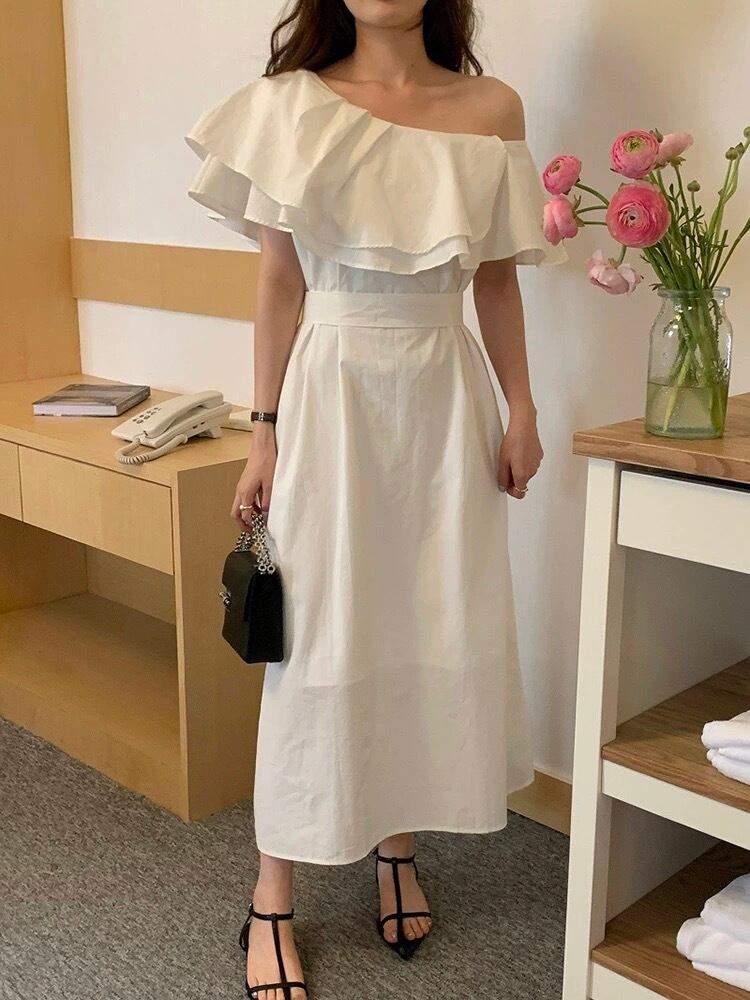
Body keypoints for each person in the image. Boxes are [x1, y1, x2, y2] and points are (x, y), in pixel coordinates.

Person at [185, 1, 567, 996]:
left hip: (444, 394)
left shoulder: (492, 108)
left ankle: (395, 842)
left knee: (426, 620)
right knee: (316, 638)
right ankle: (273, 892)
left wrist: (523, 408)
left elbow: (495, 280)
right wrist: (262, 430)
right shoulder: (289, 104)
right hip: (332, 391)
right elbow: (280, 282)